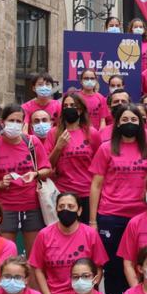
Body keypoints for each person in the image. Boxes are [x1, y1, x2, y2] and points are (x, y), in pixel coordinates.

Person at [88, 103, 147, 294]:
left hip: (140, 216)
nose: (129, 124)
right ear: (116, 123)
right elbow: (96, 184)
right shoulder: (106, 148)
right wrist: (92, 221)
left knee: (138, 266)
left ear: (141, 124)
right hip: (111, 215)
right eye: (124, 120)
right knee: (114, 268)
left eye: (134, 120)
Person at [28, 193, 108, 294]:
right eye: (61, 206)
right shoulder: (44, 235)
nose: (66, 209)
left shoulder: (90, 234)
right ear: (56, 210)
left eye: (71, 206)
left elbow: (99, 267)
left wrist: (88, 290)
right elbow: (37, 269)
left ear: (80, 211)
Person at [0, 103, 51, 256]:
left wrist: (35, 174)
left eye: (18, 121)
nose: (15, 125)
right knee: (5, 256)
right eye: (11, 121)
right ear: (2, 122)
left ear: (23, 123)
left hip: (33, 206)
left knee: (34, 258)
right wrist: (0, 184)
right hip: (5, 208)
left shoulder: (32, 142)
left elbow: (47, 170)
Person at [48, 93, 101, 221]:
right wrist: (58, 147)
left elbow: (99, 164)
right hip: (63, 193)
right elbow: (48, 165)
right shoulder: (54, 133)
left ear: (80, 110)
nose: (69, 108)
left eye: (73, 105)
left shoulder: (91, 133)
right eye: (66, 105)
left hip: (87, 193)